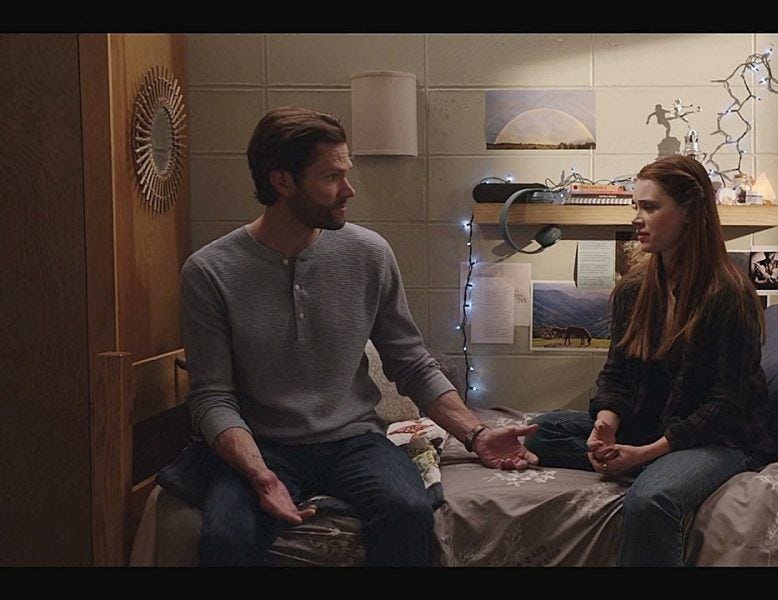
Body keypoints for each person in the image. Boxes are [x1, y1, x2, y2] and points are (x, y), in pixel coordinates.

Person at [181, 106, 538, 566]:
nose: (348, 190)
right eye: (331, 176)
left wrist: (477, 434)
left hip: (354, 439)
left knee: (409, 511)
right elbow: (211, 397)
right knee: (225, 535)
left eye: (346, 174)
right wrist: (260, 476)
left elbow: (410, 362)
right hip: (263, 442)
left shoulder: (368, 253)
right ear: (282, 181)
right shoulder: (209, 271)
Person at [524, 154, 778, 567]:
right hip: (650, 423)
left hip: (719, 438)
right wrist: (606, 426)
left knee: (651, 500)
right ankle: (630, 460)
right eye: (635, 207)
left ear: (690, 213)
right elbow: (618, 372)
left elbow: (724, 405)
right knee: (541, 432)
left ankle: (645, 469)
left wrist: (647, 454)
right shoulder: (635, 289)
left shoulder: (729, 295)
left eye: (650, 207)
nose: (637, 219)